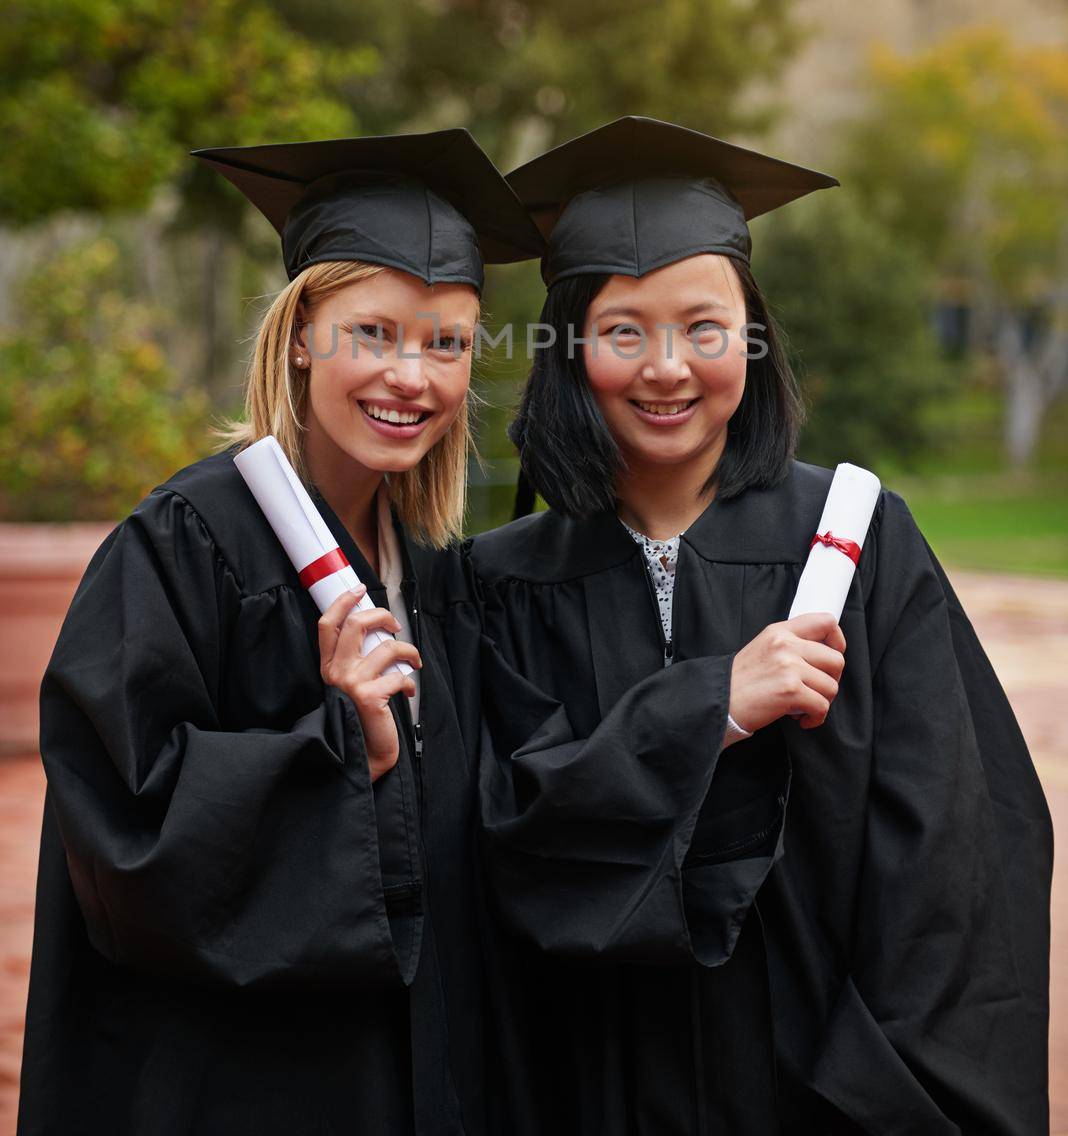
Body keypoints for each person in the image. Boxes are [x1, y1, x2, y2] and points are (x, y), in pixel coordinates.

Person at [443, 116, 1052, 1136]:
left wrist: (876, 1096)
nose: (667, 366)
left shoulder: (856, 542)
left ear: (753, 334)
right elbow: (505, 846)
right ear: (567, 346)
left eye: (704, 324)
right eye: (623, 328)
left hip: (825, 1095)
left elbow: (955, 857)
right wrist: (706, 710)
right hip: (584, 1093)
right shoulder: (501, 586)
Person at [17, 130, 542, 1136]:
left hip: (413, 1073)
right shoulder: (184, 547)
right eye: (374, 332)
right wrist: (347, 743)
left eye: (447, 343)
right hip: (239, 1086)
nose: (413, 376)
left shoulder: (436, 571)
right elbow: (122, 830)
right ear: (300, 332)